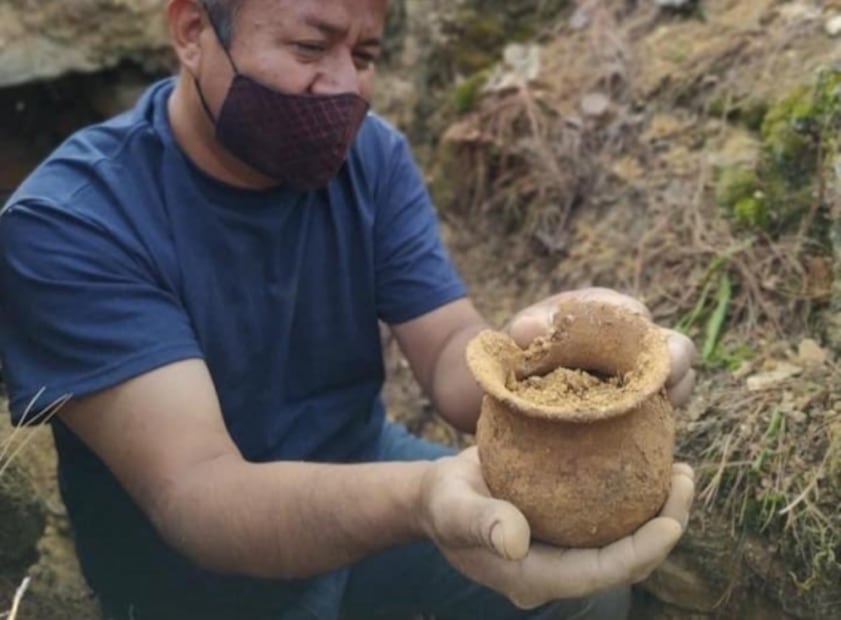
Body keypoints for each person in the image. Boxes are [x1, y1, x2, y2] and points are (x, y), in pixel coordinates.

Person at [0, 0, 697, 618]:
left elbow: (453, 346)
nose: (342, 84)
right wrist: (422, 501)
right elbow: (200, 493)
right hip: (203, 584)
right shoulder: (70, 225)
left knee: (582, 592)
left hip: (360, 461)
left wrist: (541, 353)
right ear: (191, 30)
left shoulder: (370, 157)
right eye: (309, 47)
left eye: (363, 55)